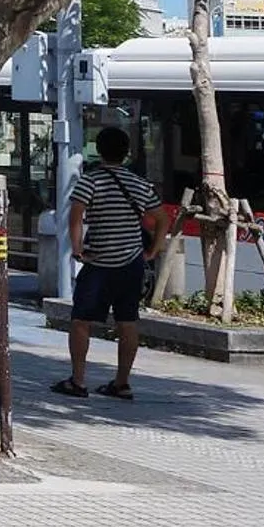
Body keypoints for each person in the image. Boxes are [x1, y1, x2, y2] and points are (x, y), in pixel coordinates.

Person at [55, 126, 169, 400]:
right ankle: (122, 382)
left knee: (81, 320)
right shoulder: (140, 184)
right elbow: (162, 219)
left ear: (99, 150)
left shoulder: (90, 182)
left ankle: (78, 381)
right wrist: (152, 251)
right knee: (127, 321)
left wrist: (78, 250)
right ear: (126, 152)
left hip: (98, 264)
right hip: (131, 264)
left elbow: (75, 217)